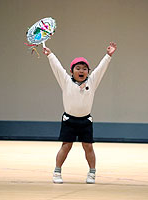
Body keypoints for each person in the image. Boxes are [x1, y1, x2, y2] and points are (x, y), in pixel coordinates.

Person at [43, 42, 117, 184]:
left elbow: (101, 69)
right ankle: (57, 172)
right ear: (72, 71)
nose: (81, 71)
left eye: (84, 69)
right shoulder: (65, 81)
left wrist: (108, 55)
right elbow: (57, 67)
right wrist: (50, 54)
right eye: (78, 68)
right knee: (66, 145)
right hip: (69, 120)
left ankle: (92, 173)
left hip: (85, 121)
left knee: (88, 146)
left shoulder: (92, 81)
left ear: (88, 72)